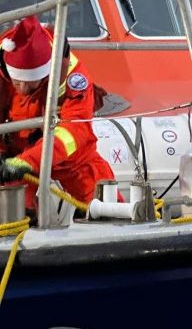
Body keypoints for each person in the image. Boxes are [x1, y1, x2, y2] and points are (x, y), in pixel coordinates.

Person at [0, 15, 118, 211]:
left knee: (109, 209)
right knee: (16, 213)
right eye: (17, 82)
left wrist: (28, 161)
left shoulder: (74, 76)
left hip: (68, 159)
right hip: (14, 155)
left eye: (31, 83)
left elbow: (74, 132)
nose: (24, 88)